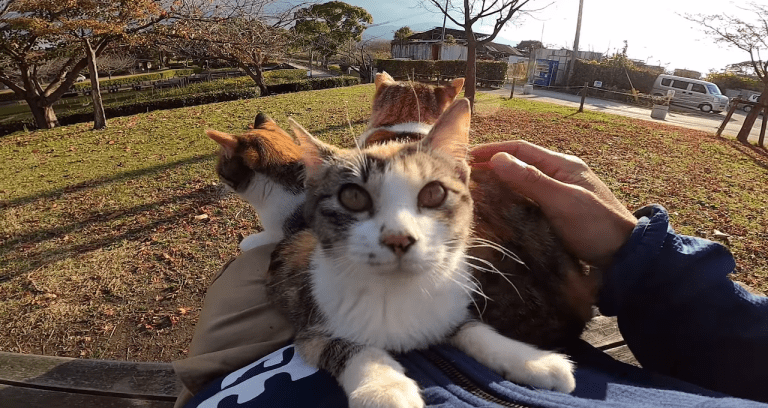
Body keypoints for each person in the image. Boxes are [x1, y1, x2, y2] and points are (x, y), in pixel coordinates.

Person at [173, 141, 768, 408]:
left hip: (232, 374)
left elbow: (452, 319)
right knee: (269, 256)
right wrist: (638, 253)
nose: (401, 230)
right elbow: (315, 332)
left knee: (248, 272)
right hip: (331, 294)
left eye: (432, 194)